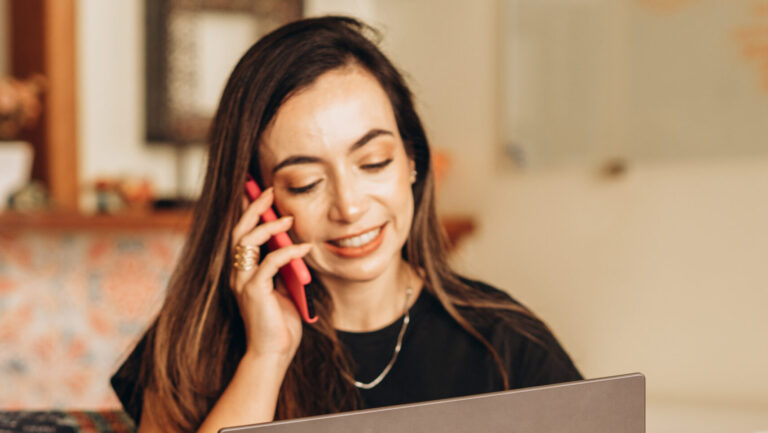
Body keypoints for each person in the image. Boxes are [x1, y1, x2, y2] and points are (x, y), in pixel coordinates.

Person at [111, 16, 582, 433]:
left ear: (411, 160)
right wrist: (265, 358)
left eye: (374, 162)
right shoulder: (195, 343)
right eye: (306, 182)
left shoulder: (510, 346)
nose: (350, 207)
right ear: (256, 200)